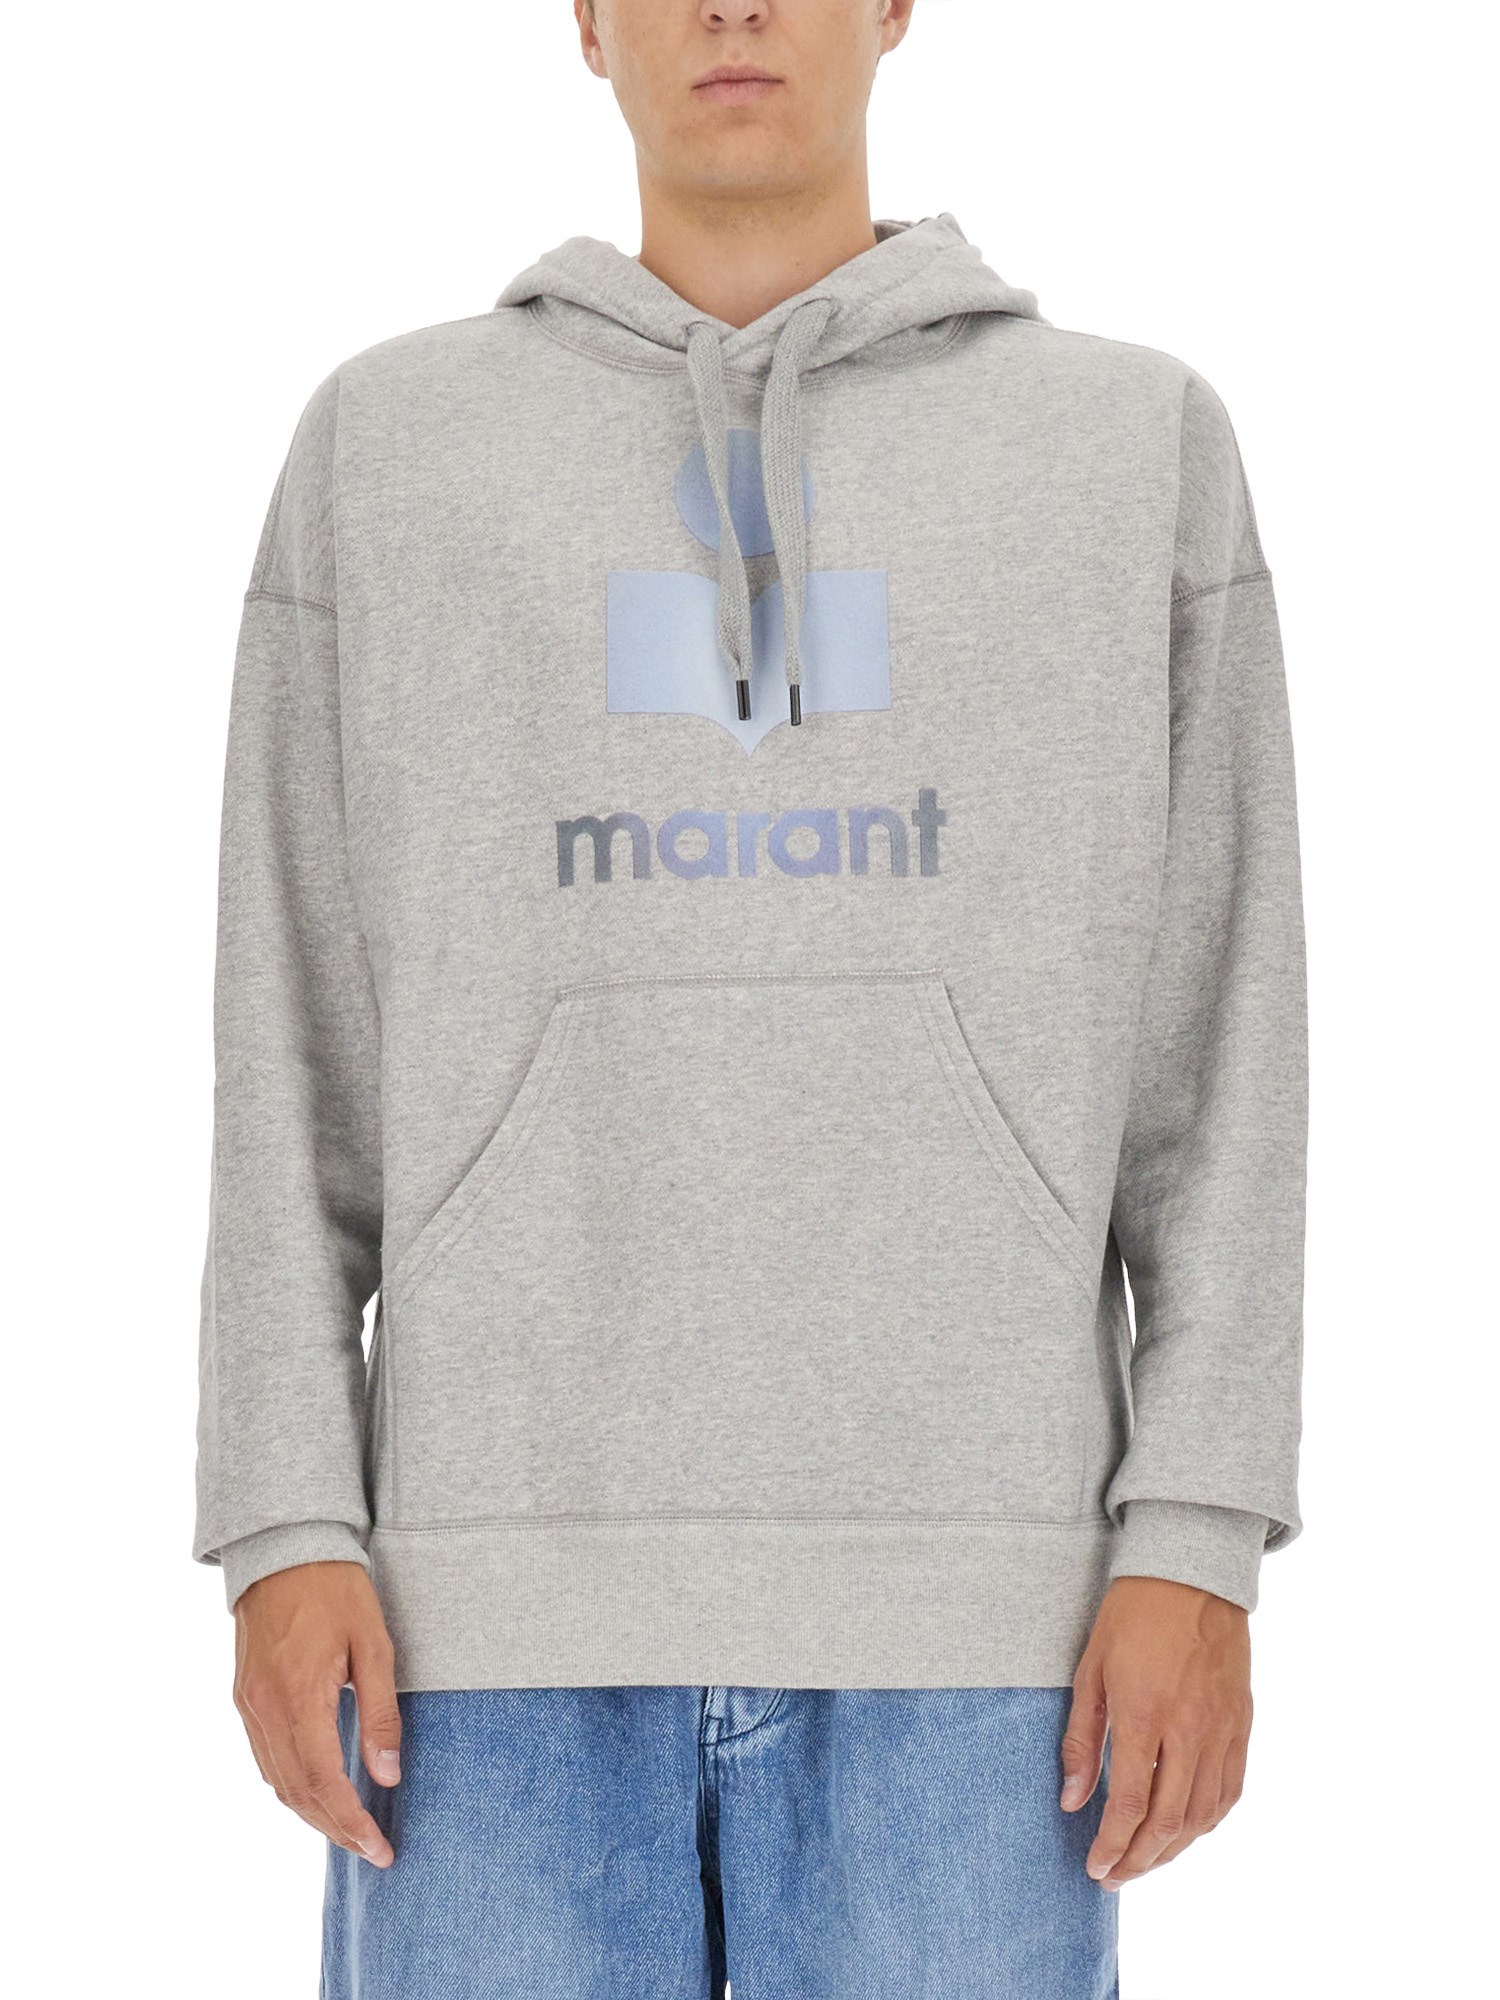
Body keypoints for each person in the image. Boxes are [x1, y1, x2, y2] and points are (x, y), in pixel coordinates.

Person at [193, 2, 1309, 1993]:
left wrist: (1198, 1530)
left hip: (988, 1627)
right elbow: (289, 1030)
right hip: (477, 1637)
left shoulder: (1131, 448)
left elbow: (1222, 1047)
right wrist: (282, 1520)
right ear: (584, 19)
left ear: (895, 5)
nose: (731, 6)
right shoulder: (391, 448)